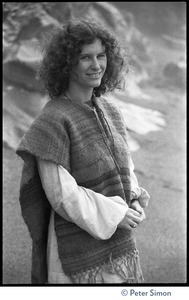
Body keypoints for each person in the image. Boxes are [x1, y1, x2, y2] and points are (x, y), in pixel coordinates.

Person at [16, 18, 150, 284]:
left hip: (118, 247)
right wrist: (116, 213)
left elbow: (125, 166)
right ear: (66, 64)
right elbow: (62, 195)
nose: (96, 65)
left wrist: (133, 199)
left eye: (101, 55)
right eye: (85, 57)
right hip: (74, 258)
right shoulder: (53, 120)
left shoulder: (111, 110)